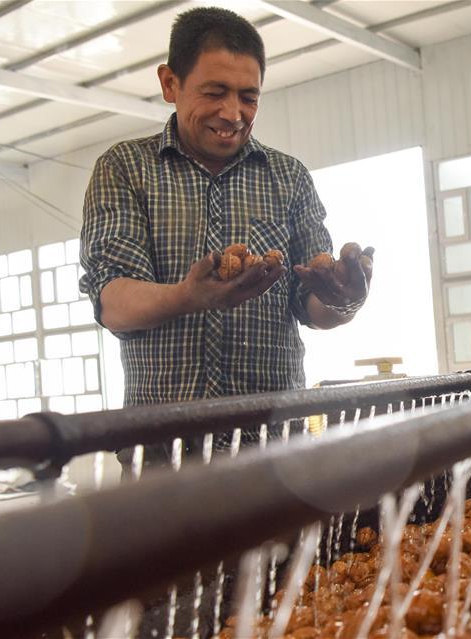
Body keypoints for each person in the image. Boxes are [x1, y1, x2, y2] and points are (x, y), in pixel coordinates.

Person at [78, 7, 373, 635]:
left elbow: (314, 310)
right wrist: (190, 295)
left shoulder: (289, 178)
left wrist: (344, 295)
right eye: (213, 91)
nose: (232, 112)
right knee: (176, 619)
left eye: (248, 96)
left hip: (276, 460)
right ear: (169, 83)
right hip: (165, 466)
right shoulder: (125, 169)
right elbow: (113, 302)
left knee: (286, 613)